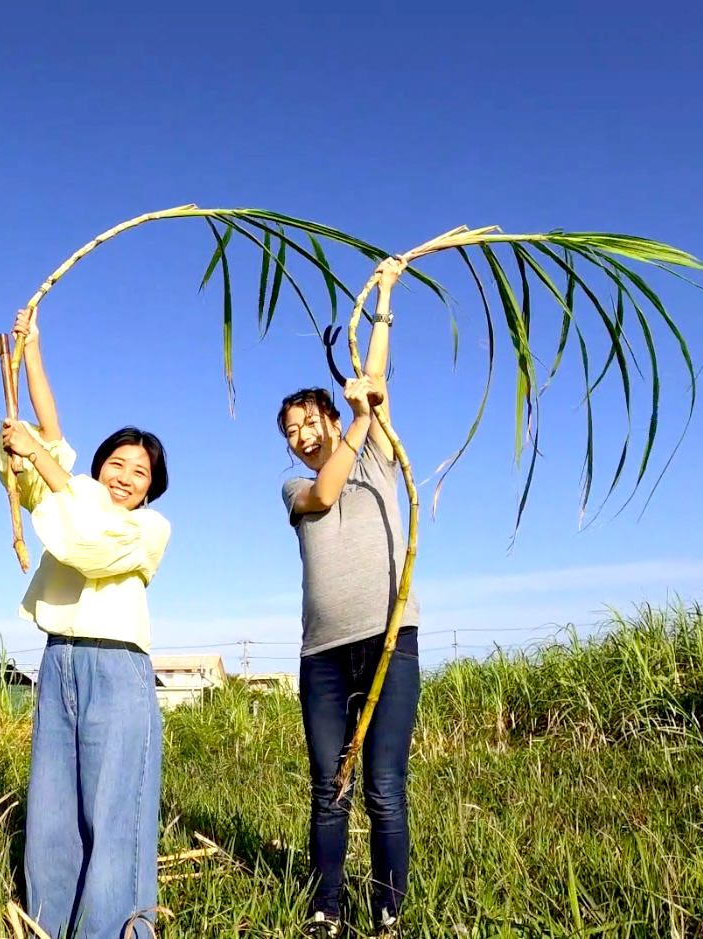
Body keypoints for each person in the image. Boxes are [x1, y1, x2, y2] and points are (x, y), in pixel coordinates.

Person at [0, 308, 171, 939]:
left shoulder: (148, 528)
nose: (125, 477)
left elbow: (87, 543)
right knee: (52, 814)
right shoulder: (72, 490)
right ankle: (52, 926)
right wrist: (31, 350)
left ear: (152, 488)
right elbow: (51, 433)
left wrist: (39, 456)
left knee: (114, 810)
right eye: (117, 464)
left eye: (139, 472)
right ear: (99, 467)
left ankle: (118, 931)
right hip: (59, 659)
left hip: (118, 668)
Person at [277, 258, 420, 939]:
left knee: (384, 786)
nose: (302, 435)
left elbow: (377, 378)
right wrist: (358, 420)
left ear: (329, 415)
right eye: (292, 431)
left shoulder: (380, 454)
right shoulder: (292, 489)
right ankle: (325, 908)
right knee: (329, 786)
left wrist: (385, 299)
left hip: (390, 642)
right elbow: (326, 491)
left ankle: (388, 910)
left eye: (309, 421)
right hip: (322, 657)